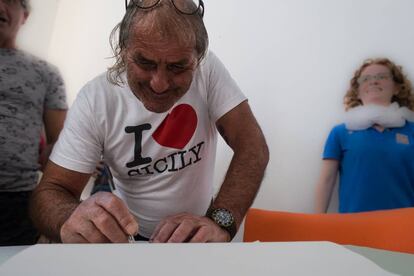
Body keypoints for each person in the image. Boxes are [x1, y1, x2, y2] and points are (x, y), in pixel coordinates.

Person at [30, 0, 269, 243]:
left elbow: (252, 145)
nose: (159, 84)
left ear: (197, 59)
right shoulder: (96, 99)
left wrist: (220, 221)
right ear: (122, 50)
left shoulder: (207, 70)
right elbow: (50, 191)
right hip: (128, 235)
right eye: (145, 62)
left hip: (200, 231)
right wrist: (71, 217)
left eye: (178, 67)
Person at [0, 0, 67, 245]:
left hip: (15, 203)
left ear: (24, 15)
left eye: (9, 0)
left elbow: (59, 143)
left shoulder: (45, 73)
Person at [315, 58, 414, 213]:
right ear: (358, 91)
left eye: (382, 77)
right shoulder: (340, 132)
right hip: (354, 225)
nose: (374, 81)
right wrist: (318, 221)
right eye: (366, 79)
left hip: (404, 224)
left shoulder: (411, 130)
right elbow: (327, 180)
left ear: (396, 88)